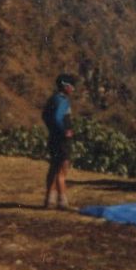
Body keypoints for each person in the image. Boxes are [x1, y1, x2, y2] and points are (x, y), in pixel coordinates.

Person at [42, 73, 77, 210]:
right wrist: (64, 131)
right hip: (63, 140)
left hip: (54, 138)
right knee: (62, 171)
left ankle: (49, 199)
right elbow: (58, 117)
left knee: (54, 168)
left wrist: (53, 129)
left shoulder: (53, 99)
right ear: (65, 86)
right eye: (71, 86)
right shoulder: (63, 101)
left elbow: (45, 116)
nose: (73, 89)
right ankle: (63, 202)